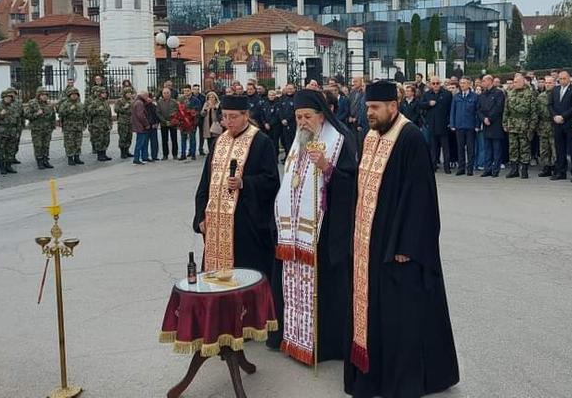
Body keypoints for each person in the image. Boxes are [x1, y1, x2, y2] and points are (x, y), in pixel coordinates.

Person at [344, 81, 459, 398]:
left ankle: (405, 380)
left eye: (375, 108)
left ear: (393, 106)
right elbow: (361, 184)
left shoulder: (409, 138)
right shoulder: (370, 137)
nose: (370, 113)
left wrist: (407, 246)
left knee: (403, 317)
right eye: (368, 108)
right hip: (370, 241)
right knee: (375, 313)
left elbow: (421, 198)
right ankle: (374, 375)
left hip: (398, 247)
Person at [269, 89, 357, 365]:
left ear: (322, 115)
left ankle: (324, 345)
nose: (303, 122)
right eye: (298, 117)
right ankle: (292, 337)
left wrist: (328, 167)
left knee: (326, 289)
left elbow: (352, 184)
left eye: (307, 116)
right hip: (294, 232)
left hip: (325, 229)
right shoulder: (298, 141)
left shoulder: (340, 139)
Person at [193, 94, 280, 278]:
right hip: (216, 224)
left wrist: (244, 183)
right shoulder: (219, 142)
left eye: (233, 117)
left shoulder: (261, 142)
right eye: (224, 116)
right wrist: (201, 215)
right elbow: (205, 183)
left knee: (245, 277)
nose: (228, 121)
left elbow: (272, 181)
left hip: (246, 225)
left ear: (245, 115)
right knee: (215, 279)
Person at [502, 73, 537, 179]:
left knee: (524, 148)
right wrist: (504, 123)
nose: (515, 84)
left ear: (523, 82)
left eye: (517, 82)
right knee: (513, 148)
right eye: (514, 82)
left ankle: (524, 170)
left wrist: (532, 127)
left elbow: (534, 112)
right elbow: (506, 110)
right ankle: (514, 169)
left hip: (524, 125)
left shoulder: (530, 94)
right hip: (512, 125)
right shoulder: (510, 93)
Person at [550, 71, 572, 181]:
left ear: (569, 79)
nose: (562, 80)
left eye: (564, 78)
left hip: (569, 123)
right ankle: (560, 172)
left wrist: (563, 116)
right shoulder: (555, 90)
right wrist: (554, 116)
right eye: (560, 79)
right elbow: (550, 105)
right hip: (557, 124)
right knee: (559, 149)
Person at [421, 76, 453, 174]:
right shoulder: (427, 94)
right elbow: (420, 105)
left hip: (443, 124)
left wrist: (450, 122)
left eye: (437, 83)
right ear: (430, 84)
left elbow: (451, 109)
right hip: (432, 124)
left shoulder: (447, 94)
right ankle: (433, 165)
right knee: (433, 147)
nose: (435, 85)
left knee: (446, 147)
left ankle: (447, 167)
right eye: (433, 83)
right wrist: (428, 104)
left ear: (440, 84)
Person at [477, 74, 506, 177]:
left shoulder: (498, 93)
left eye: (484, 81)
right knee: (487, 148)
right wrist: (483, 118)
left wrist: (489, 118)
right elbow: (479, 109)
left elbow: (498, 108)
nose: (482, 83)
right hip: (486, 124)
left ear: (490, 81)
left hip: (495, 124)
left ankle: (495, 170)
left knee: (497, 148)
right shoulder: (482, 95)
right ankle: (487, 169)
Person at [449, 77, 478, 176]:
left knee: (470, 149)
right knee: (460, 148)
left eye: (464, 83)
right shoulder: (456, 97)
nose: (462, 85)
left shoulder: (474, 96)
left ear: (469, 84)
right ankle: (461, 168)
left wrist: (477, 125)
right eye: (461, 83)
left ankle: (470, 168)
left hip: (470, 126)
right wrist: (452, 124)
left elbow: (477, 112)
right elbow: (453, 111)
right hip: (459, 126)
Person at [0, 89, 22, 175]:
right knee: (1, 151)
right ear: (3, 97)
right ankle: (2, 167)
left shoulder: (14, 106)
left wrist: (18, 130)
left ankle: (8, 165)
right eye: (6, 97)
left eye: (10, 97)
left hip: (12, 131)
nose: (8, 99)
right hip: (1, 132)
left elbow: (18, 119)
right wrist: (0, 115)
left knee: (10, 150)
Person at [25, 86, 56, 169]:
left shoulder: (49, 104)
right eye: (42, 94)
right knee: (38, 145)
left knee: (46, 145)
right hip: (37, 129)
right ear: (38, 95)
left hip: (47, 129)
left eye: (46, 94)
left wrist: (53, 126)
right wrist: (36, 114)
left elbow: (52, 116)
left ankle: (45, 160)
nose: (44, 96)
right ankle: (39, 161)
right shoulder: (32, 103)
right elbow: (26, 115)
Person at [57, 88, 86, 166]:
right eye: (72, 94)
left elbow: (84, 115)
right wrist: (69, 110)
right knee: (69, 143)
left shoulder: (80, 104)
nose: (74, 96)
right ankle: (70, 158)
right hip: (69, 127)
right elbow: (61, 113)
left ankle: (77, 157)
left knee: (78, 142)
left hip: (78, 127)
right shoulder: (65, 104)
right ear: (69, 95)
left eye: (76, 94)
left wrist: (84, 124)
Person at [535, 76, 556, 177]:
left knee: (554, 148)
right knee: (544, 149)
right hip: (543, 125)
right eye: (546, 83)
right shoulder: (541, 96)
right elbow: (537, 112)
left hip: (553, 125)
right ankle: (546, 167)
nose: (547, 84)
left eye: (550, 83)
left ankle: (555, 167)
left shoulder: (557, 95)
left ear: (554, 83)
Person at [86, 87, 113, 162]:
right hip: (97, 125)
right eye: (103, 93)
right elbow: (89, 112)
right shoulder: (94, 102)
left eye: (105, 93)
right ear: (99, 94)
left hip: (106, 124)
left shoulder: (106, 102)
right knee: (99, 140)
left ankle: (104, 154)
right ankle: (100, 155)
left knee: (106, 140)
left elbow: (109, 114)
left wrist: (110, 123)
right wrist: (98, 110)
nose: (105, 94)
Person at [156, 87, 180, 160]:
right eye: (164, 93)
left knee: (174, 139)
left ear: (170, 93)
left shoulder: (174, 102)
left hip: (173, 124)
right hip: (164, 124)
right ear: (162, 94)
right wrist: (165, 121)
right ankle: (165, 155)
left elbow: (178, 111)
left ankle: (175, 154)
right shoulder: (159, 102)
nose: (166, 94)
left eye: (167, 93)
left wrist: (173, 120)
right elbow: (158, 113)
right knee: (164, 140)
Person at [113, 87, 135, 159]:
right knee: (123, 137)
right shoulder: (120, 101)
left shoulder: (132, 101)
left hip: (130, 121)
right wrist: (124, 108)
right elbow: (116, 109)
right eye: (128, 93)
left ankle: (127, 150)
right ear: (124, 94)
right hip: (123, 122)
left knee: (129, 137)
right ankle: (122, 152)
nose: (129, 94)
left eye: (130, 93)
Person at [176, 85, 197, 161]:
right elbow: (177, 110)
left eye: (187, 91)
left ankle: (193, 153)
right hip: (183, 123)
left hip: (192, 123)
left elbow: (197, 109)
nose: (186, 92)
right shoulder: (180, 99)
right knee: (183, 139)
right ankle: (183, 154)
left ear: (190, 91)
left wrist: (192, 114)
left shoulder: (195, 100)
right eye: (185, 91)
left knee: (192, 139)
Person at [131, 90, 151, 165]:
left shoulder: (137, 101)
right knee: (140, 143)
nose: (148, 97)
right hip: (141, 126)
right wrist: (146, 124)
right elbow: (141, 115)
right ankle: (136, 159)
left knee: (140, 142)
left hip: (138, 125)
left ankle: (143, 157)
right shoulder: (139, 103)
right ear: (144, 96)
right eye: (147, 96)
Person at [279, 83, 298, 161]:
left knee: (293, 141)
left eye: (291, 89)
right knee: (285, 142)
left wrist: (287, 120)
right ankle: (287, 157)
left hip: (293, 124)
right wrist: (282, 119)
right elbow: (280, 110)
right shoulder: (282, 98)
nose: (289, 90)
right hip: (283, 124)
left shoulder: (296, 98)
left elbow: (295, 111)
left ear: (294, 89)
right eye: (288, 89)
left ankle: (293, 158)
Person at [187, 84, 207, 157]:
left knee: (202, 135)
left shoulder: (203, 97)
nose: (196, 90)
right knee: (191, 135)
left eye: (197, 89)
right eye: (195, 89)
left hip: (201, 118)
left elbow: (205, 105)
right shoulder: (190, 97)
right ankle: (191, 150)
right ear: (192, 90)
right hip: (192, 119)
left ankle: (201, 149)